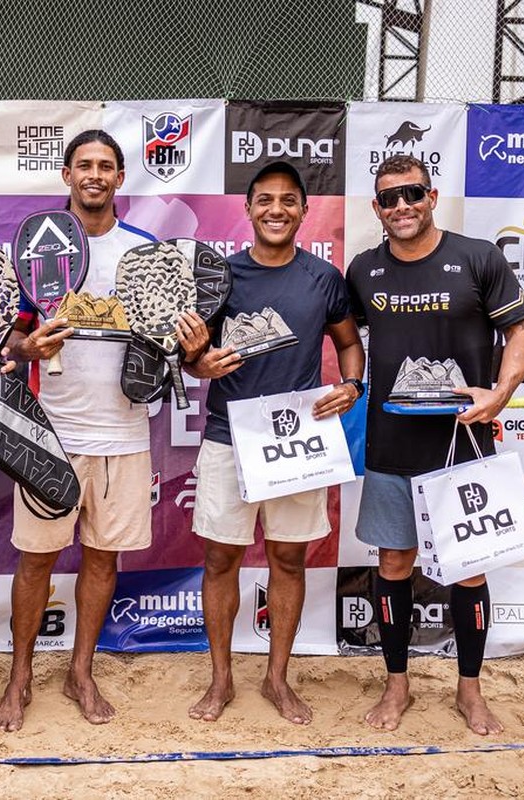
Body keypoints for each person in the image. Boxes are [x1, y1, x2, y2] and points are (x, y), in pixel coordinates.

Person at [0, 130, 207, 731]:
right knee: (35, 562)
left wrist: (186, 347)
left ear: (120, 179)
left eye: (106, 166)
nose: (94, 174)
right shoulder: (37, 248)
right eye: (84, 165)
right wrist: (29, 345)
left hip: (125, 437)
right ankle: (20, 676)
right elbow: (10, 340)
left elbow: (172, 345)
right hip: (50, 435)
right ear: (66, 175)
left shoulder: (146, 254)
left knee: (102, 560)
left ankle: (80, 670)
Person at [345, 154, 524, 735]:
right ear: (376, 209)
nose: (400, 206)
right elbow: (342, 338)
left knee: (469, 573)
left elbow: (522, 332)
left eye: (411, 194)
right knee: (394, 563)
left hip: (464, 442)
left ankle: (470, 690)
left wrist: (500, 395)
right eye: (388, 198)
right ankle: (396, 684)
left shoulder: (477, 256)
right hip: (392, 440)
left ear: (431, 197)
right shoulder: (362, 270)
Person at [184, 161, 365, 725]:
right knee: (220, 560)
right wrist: (199, 360)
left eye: (289, 200)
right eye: (265, 200)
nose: (276, 210)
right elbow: (192, 354)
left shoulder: (324, 278)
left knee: (288, 558)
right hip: (227, 436)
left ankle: (277, 678)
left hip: (298, 440)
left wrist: (353, 384)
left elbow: (349, 344)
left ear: (304, 211)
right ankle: (221, 681)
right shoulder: (219, 276)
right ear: (248, 209)